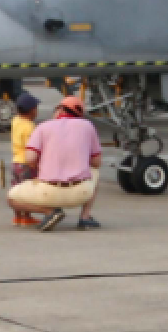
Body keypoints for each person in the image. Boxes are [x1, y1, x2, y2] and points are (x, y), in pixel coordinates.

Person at [10, 92, 102, 231]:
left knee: (11, 198)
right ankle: (85, 217)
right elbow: (96, 162)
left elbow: (30, 158)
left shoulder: (42, 127)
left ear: (60, 110)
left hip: (48, 194)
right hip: (80, 194)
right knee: (95, 171)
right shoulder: (88, 126)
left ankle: (49, 212)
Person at [8, 91, 41, 227]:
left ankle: (17, 217)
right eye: (36, 108)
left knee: (16, 190)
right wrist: (36, 164)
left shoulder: (15, 121)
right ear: (32, 110)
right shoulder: (29, 127)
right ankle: (27, 217)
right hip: (26, 163)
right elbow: (31, 147)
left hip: (15, 162)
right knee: (28, 191)